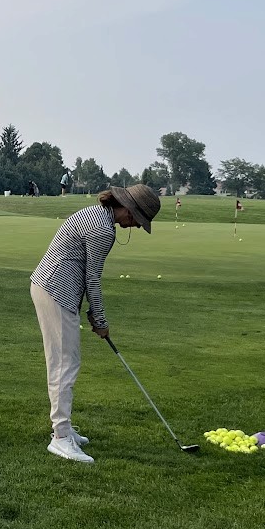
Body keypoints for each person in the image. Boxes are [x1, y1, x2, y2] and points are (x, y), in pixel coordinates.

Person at [30, 184, 160, 463]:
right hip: (56, 291)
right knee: (64, 364)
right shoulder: (103, 230)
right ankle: (60, 437)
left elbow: (84, 272)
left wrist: (92, 312)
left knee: (66, 362)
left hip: (52, 287)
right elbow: (92, 279)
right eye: (139, 220)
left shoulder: (97, 214)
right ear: (128, 210)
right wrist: (100, 319)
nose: (138, 226)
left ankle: (64, 429)